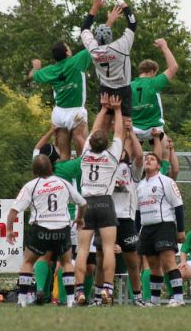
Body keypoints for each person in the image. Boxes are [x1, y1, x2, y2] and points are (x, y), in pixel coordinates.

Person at [7, 154, 87, 308]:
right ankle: (70, 301)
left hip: (40, 228)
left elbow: (13, 211)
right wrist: (79, 218)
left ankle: (22, 300)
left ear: (34, 170)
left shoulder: (31, 186)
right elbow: (83, 203)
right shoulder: (63, 183)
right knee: (66, 262)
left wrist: (10, 230)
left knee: (28, 261)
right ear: (51, 168)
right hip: (62, 228)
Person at [74, 93, 124, 305]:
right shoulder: (112, 155)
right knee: (107, 247)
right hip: (105, 202)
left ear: (91, 142)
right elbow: (120, 133)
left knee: (83, 250)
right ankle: (107, 290)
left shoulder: (85, 153)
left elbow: (94, 132)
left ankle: (79, 292)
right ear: (106, 144)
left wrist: (103, 109)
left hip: (86, 203)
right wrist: (118, 110)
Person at [92, 119, 145, 306]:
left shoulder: (132, 171)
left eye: (124, 148)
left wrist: (130, 133)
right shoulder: (106, 165)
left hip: (126, 220)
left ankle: (137, 297)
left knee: (132, 260)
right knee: (100, 258)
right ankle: (98, 297)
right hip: (106, 217)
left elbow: (139, 156)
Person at [81, 0, 136, 130]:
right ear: (110, 37)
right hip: (122, 89)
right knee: (124, 132)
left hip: (105, 90)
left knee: (102, 131)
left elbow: (84, 28)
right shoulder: (121, 46)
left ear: (95, 38)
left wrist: (95, 6)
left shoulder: (93, 49)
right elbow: (132, 23)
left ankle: (99, 152)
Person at [136, 152, 186, 307]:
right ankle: (154, 301)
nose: (148, 161)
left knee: (168, 261)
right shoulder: (140, 185)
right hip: (147, 228)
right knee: (153, 264)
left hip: (164, 225)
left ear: (158, 165)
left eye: (152, 159)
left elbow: (178, 206)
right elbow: (138, 211)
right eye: (146, 159)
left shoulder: (166, 181)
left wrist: (181, 230)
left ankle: (178, 298)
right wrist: (136, 232)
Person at [28, 41, 91, 160]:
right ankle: (82, 178)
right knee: (82, 155)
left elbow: (31, 75)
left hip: (59, 115)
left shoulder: (51, 70)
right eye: (68, 47)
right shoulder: (77, 61)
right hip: (76, 112)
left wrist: (36, 68)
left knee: (64, 156)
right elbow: (94, 46)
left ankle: (63, 178)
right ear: (67, 52)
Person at [130, 38, 179, 151]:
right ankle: (160, 167)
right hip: (154, 127)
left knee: (130, 161)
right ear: (152, 72)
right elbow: (173, 67)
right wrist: (164, 47)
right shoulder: (154, 83)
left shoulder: (129, 86)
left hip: (135, 128)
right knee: (166, 155)